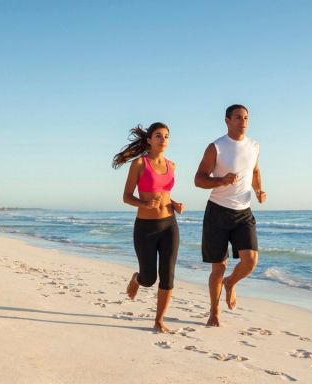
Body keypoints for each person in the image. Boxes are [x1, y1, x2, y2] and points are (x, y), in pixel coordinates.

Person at [195, 104, 267, 327]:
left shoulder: (254, 146)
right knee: (219, 266)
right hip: (218, 210)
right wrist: (220, 181)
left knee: (250, 261)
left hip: (243, 211)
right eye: (238, 117)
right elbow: (198, 179)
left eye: (246, 117)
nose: (243, 121)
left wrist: (258, 190)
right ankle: (214, 312)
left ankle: (230, 283)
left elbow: (254, 171)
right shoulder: (216, 147)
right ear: (227, 120)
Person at [112, 122, 184, 333]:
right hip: (145, 227)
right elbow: (126, 197)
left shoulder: (172, 165)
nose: (163, 140)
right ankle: (137, 279)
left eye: (167, 136)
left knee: (168, 274)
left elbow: (166, 194)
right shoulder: (140, 164)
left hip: (169, 224)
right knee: (149, 278)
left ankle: (159, 320)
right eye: (159, 136)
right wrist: (143, 204)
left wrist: (175, 204)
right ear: (149, 140)